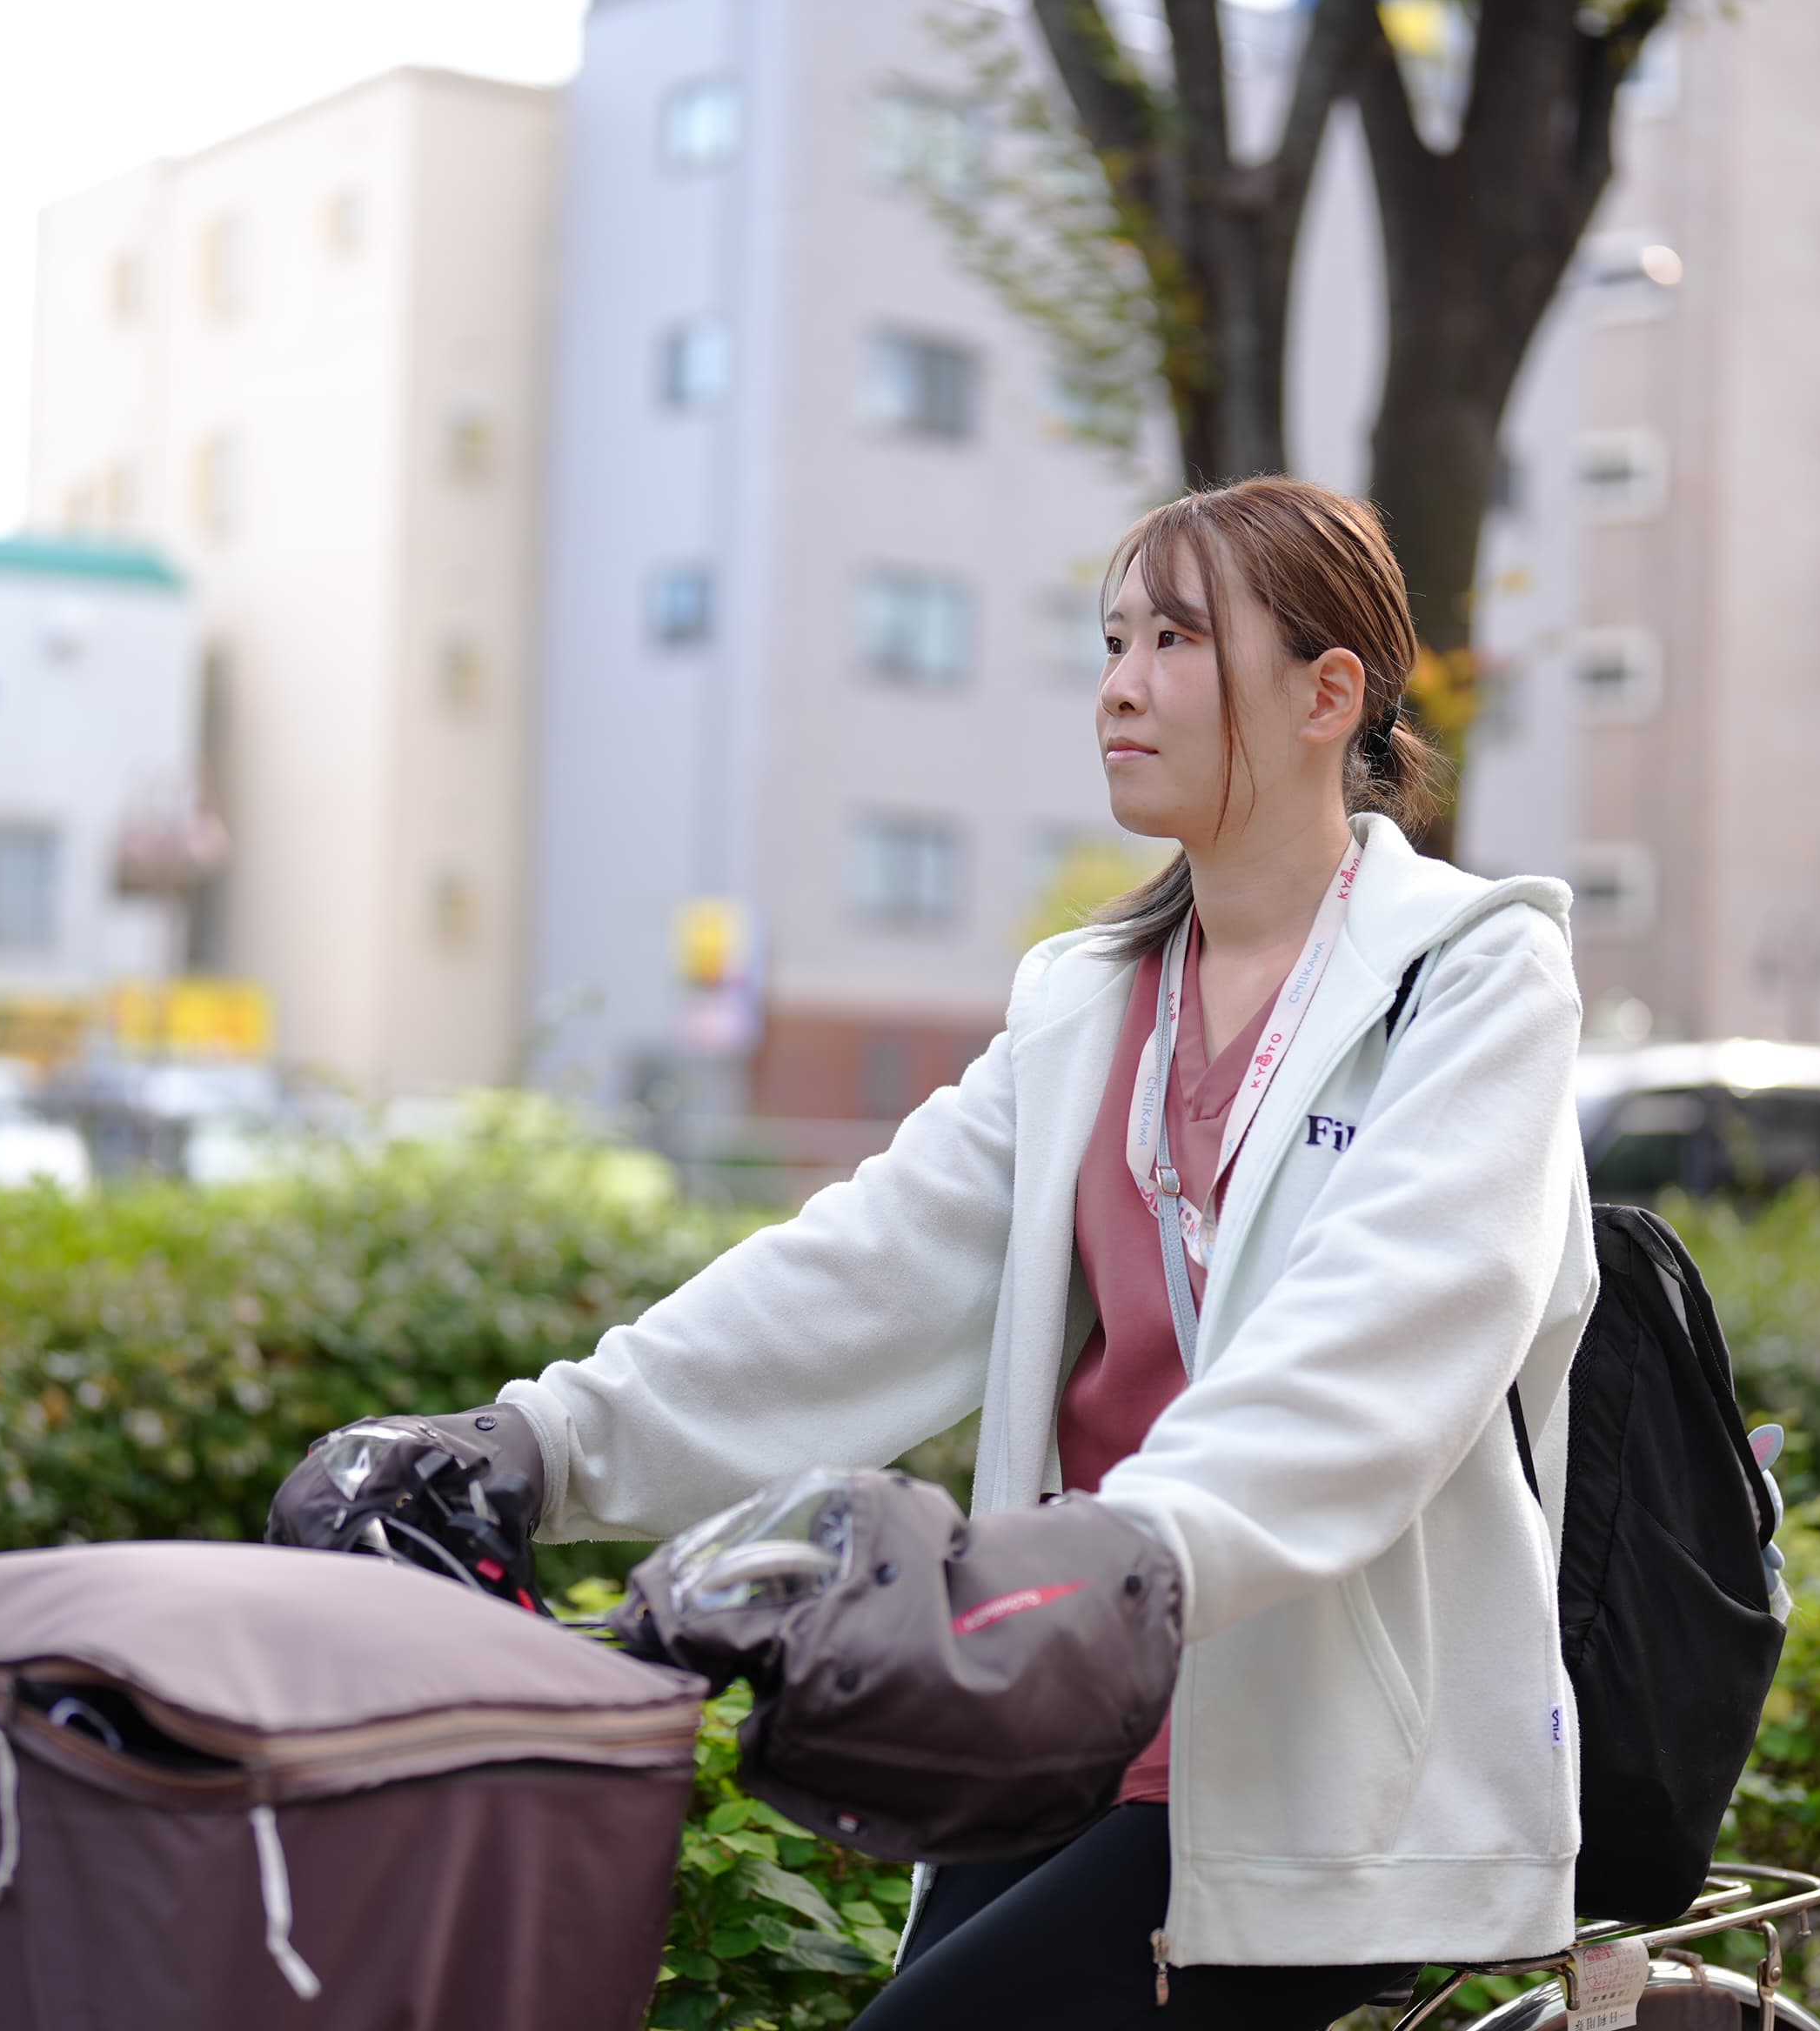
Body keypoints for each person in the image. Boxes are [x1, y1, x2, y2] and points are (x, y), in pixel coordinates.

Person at [420, 477, 1595, 2027]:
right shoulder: (1088, 1003)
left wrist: (1118, 1560)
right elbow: (858, 1278)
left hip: (1317, 1779)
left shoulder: (1473, 977)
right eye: (1112, 640)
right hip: (1069, 1719)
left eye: (1177, 639)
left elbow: (1392, 1333)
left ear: (1328, 695)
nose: (1119, 686)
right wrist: (532, 1445)